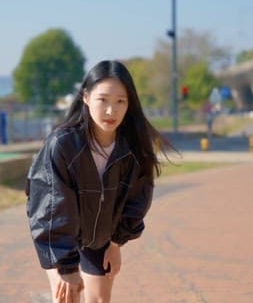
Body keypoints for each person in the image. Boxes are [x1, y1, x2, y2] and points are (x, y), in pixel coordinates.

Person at [26, 60, 174, 303]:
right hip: (61, 234)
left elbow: (138, 199)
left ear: (130, 104)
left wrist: (116, 243)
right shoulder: (62, 145)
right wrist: (66, 267)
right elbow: (50, 207)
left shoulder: (133, 147)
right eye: (102, 99)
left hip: (102, 236)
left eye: (120, 102)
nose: (110, 111)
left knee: (98, 300)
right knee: (68, 297)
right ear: (86, 97)